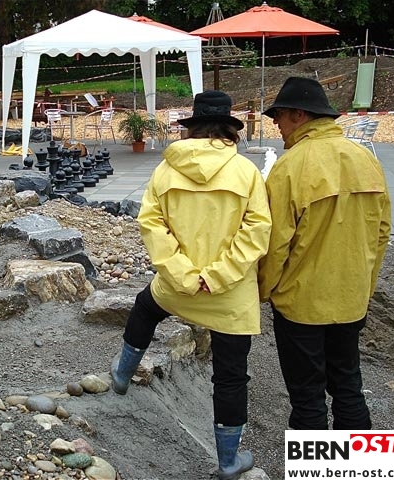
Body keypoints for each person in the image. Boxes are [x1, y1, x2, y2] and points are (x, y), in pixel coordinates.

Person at [110, 91, 271, 480]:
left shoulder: (166, 170)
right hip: (229, 295)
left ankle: (122, 374)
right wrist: (215, 276)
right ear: (230, 130)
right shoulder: (245, 172)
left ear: (192, 128)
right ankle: (228, 461)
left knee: (145, 307)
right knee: (231, 375)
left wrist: (182, 273)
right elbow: (257, 230)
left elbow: (151, 223)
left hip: (176, 286)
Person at [257, 77, 392, 431]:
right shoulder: (366, 160)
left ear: (299, 115)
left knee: (307, 397)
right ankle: (356, 461)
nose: (276, 123)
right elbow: (381, 234)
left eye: (279, 115)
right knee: (348, 387)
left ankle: (317, 460)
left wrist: (264, 291)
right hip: (351, 300)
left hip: (301, 306)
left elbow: (275, 244)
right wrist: (364, 287)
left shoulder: (289, 168)